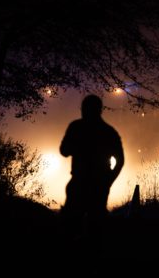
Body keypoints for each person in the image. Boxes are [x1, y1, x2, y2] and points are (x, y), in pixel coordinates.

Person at [60, 94, 124, 243]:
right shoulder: (109, 132)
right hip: (98, 184)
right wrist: (108, 180)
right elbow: (120, 160)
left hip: (80, 181)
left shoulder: (76, 127)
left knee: (71, 224)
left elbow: (64, 151)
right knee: (95, 225)